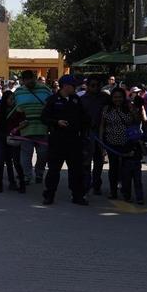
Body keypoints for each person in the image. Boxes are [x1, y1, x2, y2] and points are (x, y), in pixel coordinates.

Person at [42, 75, 89, 206]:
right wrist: (56, 122)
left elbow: (84, 118)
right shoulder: (52, 100)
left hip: (74, 140)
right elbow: (44, 118)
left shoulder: (76, 100)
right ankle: (49, 195)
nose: (75, 87)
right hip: (57, 141)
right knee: (53, 170)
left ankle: (77, 195)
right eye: (73, 85)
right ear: (65, 86)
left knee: (76, 170)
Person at [100, 87, 145, 204]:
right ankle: (113, 190)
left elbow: (137, 121)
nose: (117, 99)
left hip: (127, 143)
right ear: (111, 98)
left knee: (126, 170)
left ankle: (126, 192)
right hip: (111, 143)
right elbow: (102, 125)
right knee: (113, 168)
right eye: (115, 97)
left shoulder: (129, 107)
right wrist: (101, 141)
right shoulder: (107, 109)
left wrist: (134, 111)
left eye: (120, 97)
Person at [10, 70, 51, 190]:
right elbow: (13, 109)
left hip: (42, 128)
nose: (29, 81)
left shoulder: (45, 90)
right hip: (25, 129)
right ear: (23, 80)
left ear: (35, 77)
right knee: (25, 156)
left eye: (31, 78)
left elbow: (51, 107)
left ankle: (39, 172)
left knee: (43, 154)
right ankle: (27, 176)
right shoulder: (18, 92)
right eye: (26, 79)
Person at [81, 76, 111, 194]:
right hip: (87, 133)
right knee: (86, 161)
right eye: (92, 85)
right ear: (88, 86)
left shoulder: (105, 98)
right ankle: (86, 184)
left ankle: (97, 184)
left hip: (102, 133)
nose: (95, 88)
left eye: (98, 85)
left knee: (99, 161)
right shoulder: (82, 99)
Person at [0, 83, 22, 192]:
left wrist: (17, 129)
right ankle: (0, 185)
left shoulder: (17, 111)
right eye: (10, 99)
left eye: (13, 99)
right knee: (0, 162)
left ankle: (14, 183)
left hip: (13, 138)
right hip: (1, 138)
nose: (12, 101)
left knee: (13, 162)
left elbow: (22, 122)